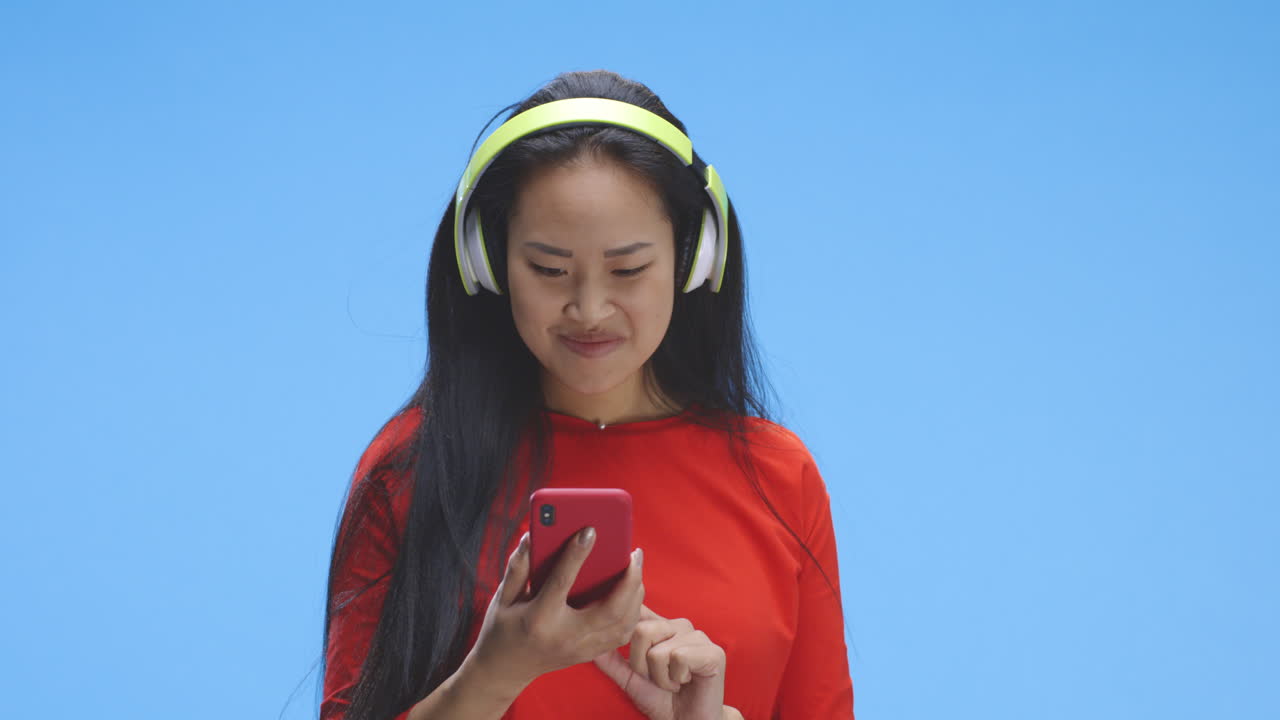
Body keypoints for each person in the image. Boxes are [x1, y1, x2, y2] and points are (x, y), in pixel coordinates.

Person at [319, 69, 855, 720]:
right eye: (548, 269)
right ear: (485, 261)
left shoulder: (780, 477)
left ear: (695, 256)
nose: (590, 308)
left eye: (628, 269)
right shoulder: (411, 468)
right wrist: (495, 674)